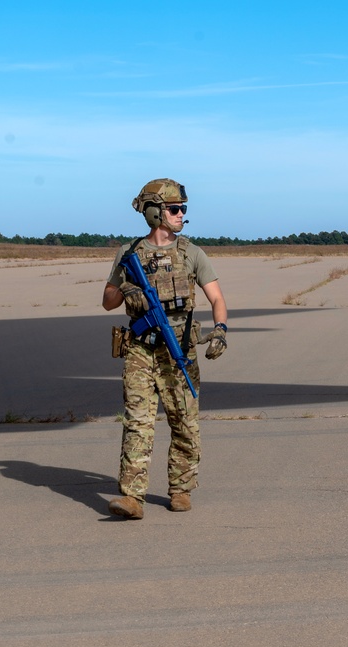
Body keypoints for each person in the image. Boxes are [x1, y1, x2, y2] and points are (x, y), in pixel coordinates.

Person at [101, 178, 228, 519]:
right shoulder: (130, 254)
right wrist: (126, 290)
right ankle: (132, 497)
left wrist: (220, 330)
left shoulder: (191, 253)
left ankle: (180, 490)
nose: (180, 214)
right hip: (141, 352)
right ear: (155, 212)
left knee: (185, 423)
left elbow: (216, 298)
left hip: (179, 351)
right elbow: (107, 301)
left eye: (183, 209)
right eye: (174, 209)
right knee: (138, 424)